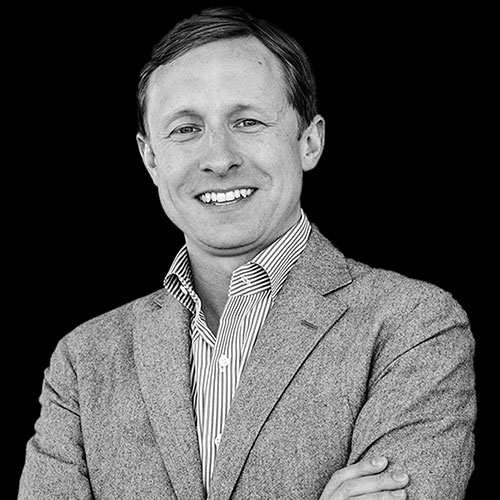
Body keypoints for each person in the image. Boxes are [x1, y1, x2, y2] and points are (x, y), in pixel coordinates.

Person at [18, 6, 476, 500]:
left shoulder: (413, 325)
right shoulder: (84, 361)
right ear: (151, 159)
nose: (218, 158)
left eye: (248, 120)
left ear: (309, 142)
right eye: (186, 129)